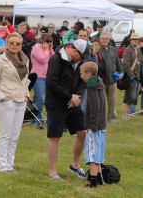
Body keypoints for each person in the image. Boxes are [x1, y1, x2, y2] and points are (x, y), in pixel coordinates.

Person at [45, 39, 92, 181]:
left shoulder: (80, 62)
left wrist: (77, 96)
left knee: (83, 131)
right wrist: (69, 96)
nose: (82, 59)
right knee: (55, 136)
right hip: (56, 103)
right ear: (72, 49)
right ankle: (52, 171)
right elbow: (52, 82)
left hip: (73, 102)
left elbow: (83, 81)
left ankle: (75, 165)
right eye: (81, 56)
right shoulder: (56, 59)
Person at [0, 33, 30, 172]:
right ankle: (1, 166)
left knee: (15, 136)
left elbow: (25, 81)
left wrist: (26, 95)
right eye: (12, 43)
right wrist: (2, 97)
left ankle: (9, 165)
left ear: (21, 45)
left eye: (18, 43)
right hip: (7, 101)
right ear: (6, 44)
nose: (15, 45)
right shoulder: (0, 60)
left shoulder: (25, 59)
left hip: (21, 100)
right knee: (5, 135)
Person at [79, 61, 107, 188]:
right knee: (99, 154)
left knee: (93, 155)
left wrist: (93, 126)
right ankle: (101, 181)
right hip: (102, 125)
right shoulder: (99, 83)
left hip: (94, 126)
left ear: (88, 74)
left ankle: (93, 183)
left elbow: (95, 108)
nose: (80, 76)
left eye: (81, 73)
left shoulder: (92, 88)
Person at [30, 34, 54, 127]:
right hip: (37, 75)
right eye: (48, 42)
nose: (49, 44)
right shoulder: (36, 48)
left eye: (50, 42)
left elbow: (53, 58)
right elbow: (42, 60)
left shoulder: (47, 50)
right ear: (43, 41)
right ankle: (36, 120)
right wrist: (47, 50)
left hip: (46, 76)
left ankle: (35, 118)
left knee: (38, 99)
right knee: (41, 99)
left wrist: (50, 49)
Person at [98, 32, 122, 123]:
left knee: (113, 101)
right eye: (103, 38)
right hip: (101, 80)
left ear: (109, 40)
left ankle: (112, 118)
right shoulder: (97, 49)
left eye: (107, 39)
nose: (105, 40)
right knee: (102, 101)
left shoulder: (113, 49)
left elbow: (117, 62)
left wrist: (120, 72)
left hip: (112, 80)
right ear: (100, 39)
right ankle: (102, 118)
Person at [122, 33, 142, 121]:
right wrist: (131, 75)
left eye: (137, 39)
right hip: (131, 77)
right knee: (128, 97)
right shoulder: (127, 50)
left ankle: (127, 115)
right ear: (130, 40)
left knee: (133, 97)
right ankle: (125, 116)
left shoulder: (138, 50)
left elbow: (142, 62)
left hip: (137, 77)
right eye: (134, 39)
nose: (136, 41)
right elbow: (125, 65)